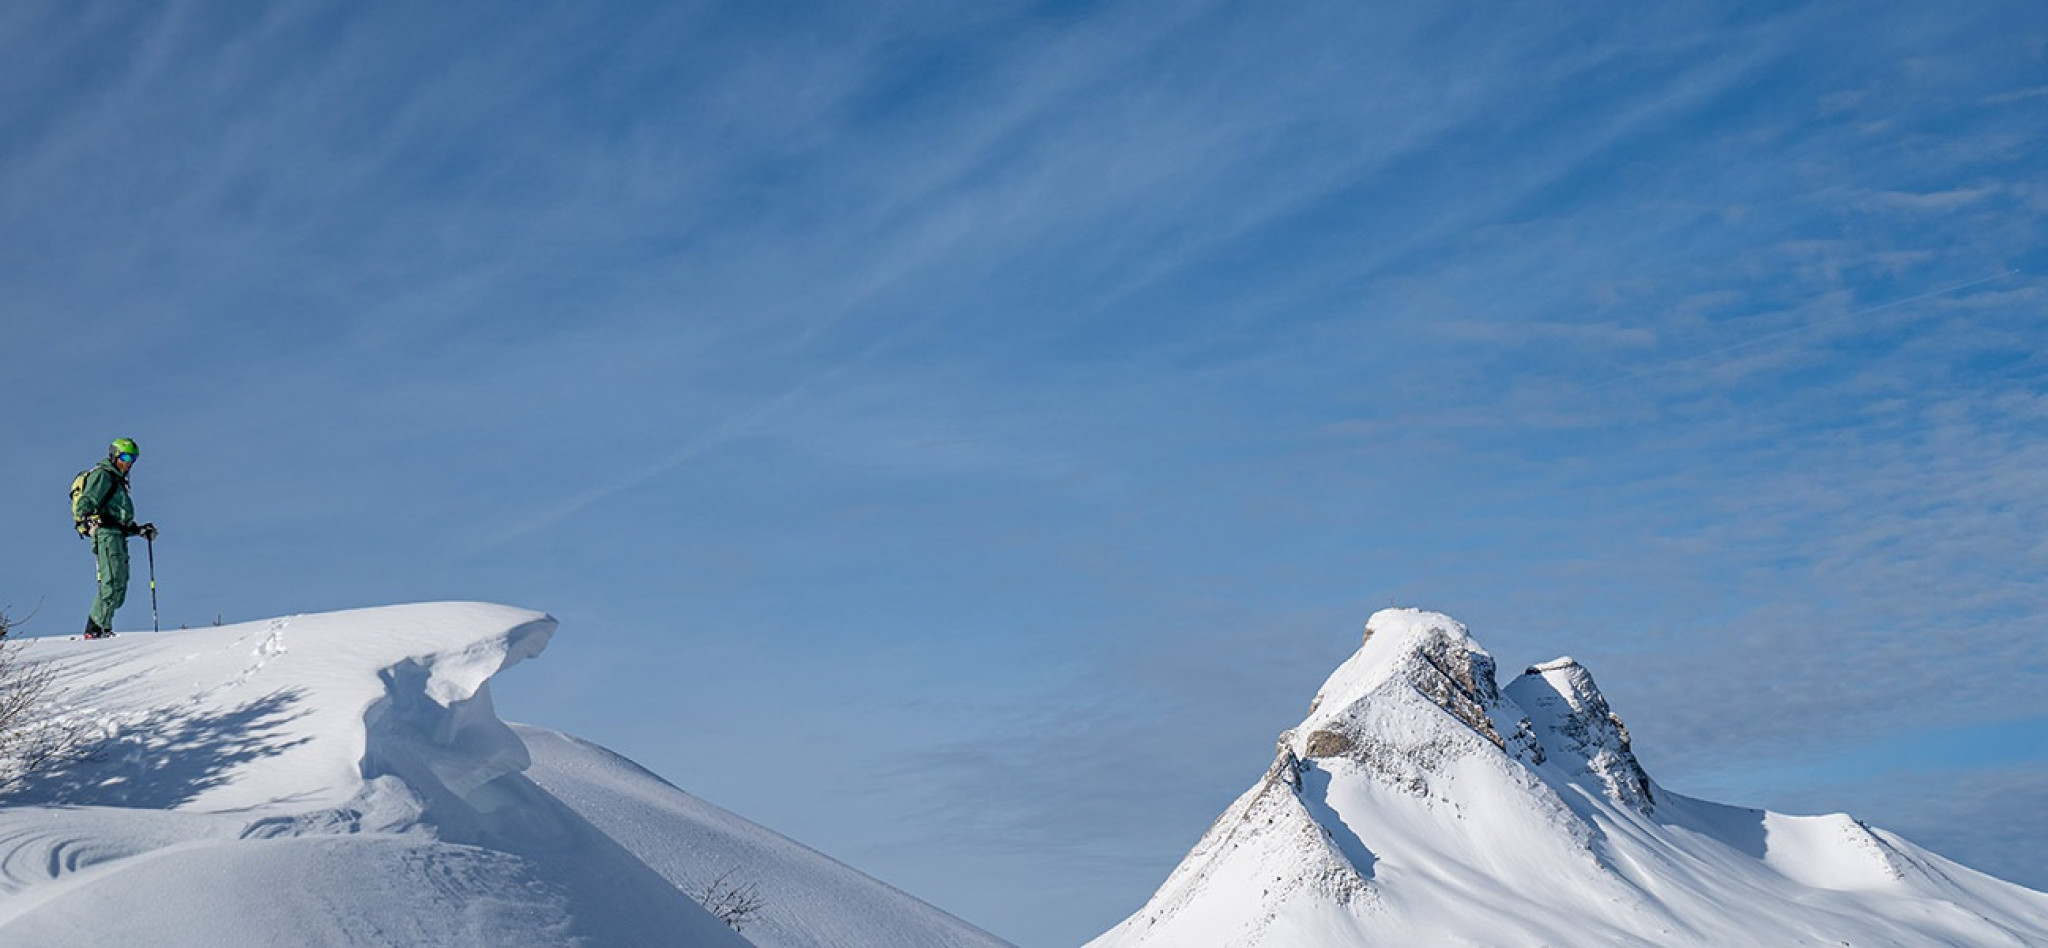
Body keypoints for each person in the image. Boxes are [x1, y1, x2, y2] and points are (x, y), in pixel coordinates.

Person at [75, 437, 155, 639]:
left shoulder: (119, 482)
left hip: (117, 536)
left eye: (133, 458)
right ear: (115, 455)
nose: (129, 462)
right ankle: (95, 628)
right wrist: (86, 516)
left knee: (121, 584)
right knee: (110, 582)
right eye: (126, 457)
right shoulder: (103, 475)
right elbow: (88, 499)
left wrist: (138, 530)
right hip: (106, 535)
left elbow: (119, 518)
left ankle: (103, 626)